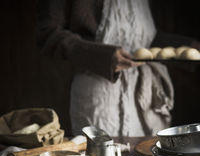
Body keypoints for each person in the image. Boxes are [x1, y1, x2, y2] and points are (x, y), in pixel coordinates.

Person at [36, 0, 199, 137]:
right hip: (100, 91)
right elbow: (47, 32)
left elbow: (143, 38)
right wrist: (104, 56)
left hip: (145, 92)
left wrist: (189, 47)